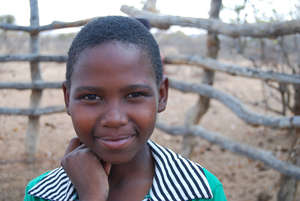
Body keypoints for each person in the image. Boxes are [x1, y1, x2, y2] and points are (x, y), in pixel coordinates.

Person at [24, 16, 227, 201]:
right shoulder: (42, 194)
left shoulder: (201, 192)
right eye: (91, 97)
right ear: (68, 99)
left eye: (135, 95)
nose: (114, 119)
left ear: (162, 95)